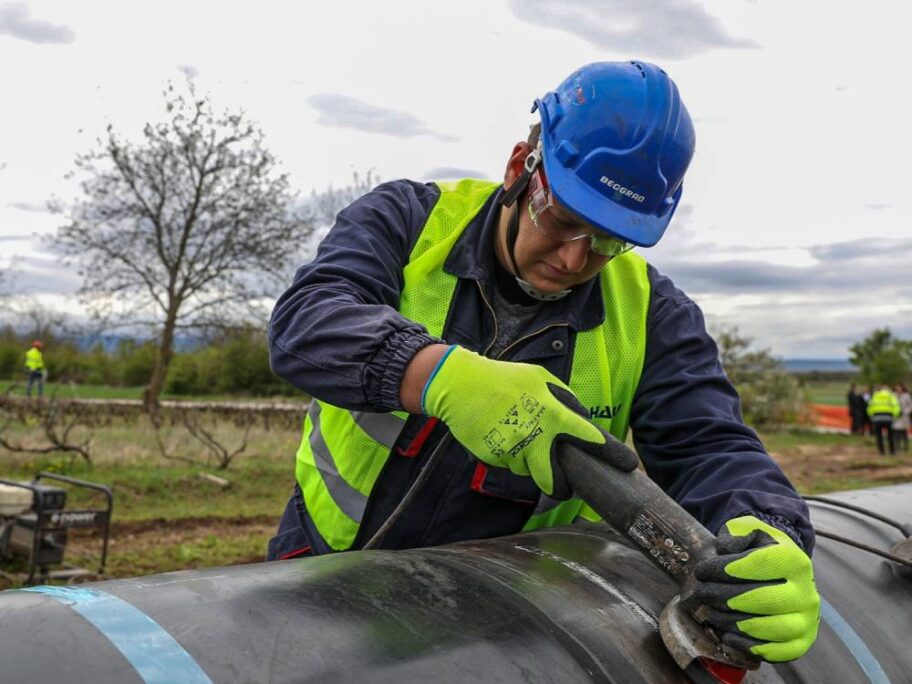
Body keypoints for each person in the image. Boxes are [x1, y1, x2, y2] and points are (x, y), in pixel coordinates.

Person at [267, 61, 819, 663]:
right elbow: (306, 321)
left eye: (609, 240)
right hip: (323, 575)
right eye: (562, 219)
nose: (574, 259)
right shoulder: (409, 220)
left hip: (496, 619)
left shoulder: (653, 314)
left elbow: (710, 446)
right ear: (519, 169)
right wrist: (440, 376)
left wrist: (767, 534)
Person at [867, 384, 901, 455]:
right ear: (888, 390)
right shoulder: (891, 395)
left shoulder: (875, 395)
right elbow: (896, 406)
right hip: (888, 417)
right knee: (890, 435)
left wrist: (871, 416)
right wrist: (894, 416)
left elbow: (869, 407)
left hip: (877, 417)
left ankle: (881, 451)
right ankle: (892, 451)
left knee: (879, 436)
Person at [892, 383, 911, 452]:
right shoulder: (893, 395)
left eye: (899, 387)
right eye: (897, 387)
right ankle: (897, 446)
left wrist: (905, 411)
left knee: (904, 431)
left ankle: (905, 446)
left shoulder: (906, 395)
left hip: (904, 416)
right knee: (896, 432)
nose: (898, 388)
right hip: (895, 416)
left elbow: (910, 405)